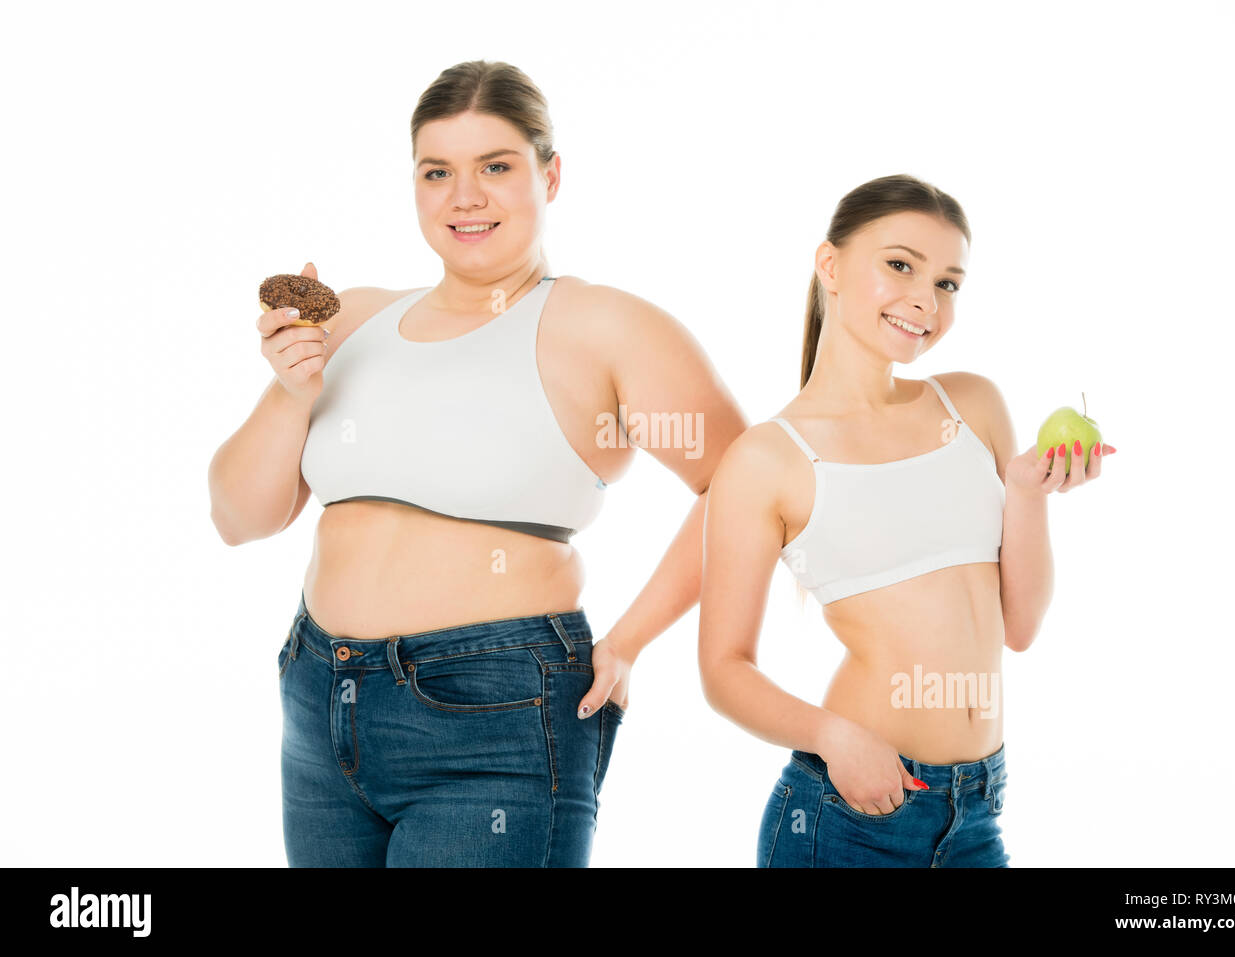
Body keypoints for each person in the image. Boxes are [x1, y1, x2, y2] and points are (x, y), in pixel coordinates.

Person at [208, 59, 746, 867]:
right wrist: (291, 391)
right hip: (322, 697)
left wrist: (630, 639)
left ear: (550, 174)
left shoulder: (605, 328)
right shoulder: (353, 318)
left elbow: (749, 488)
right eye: (438, 172)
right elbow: (236, 517)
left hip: (496, 713)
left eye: (496, 167)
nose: (465, 197)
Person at [698, 173, 1116, 867]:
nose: (926, 299)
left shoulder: (971, 405)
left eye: (949, 283)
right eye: (900, 265)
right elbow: (723, 669)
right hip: (852, 812)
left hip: (977, 806)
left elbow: (1019, 626)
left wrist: (1028, 492)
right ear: (829, 265)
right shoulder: (769, 458)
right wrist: (836, 737)